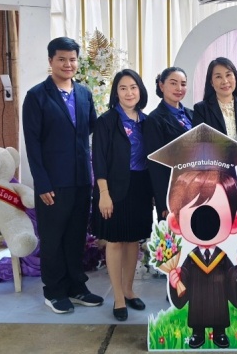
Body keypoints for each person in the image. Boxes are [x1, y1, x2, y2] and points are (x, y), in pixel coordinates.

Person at [148, 125, 237, 349]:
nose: (206, 223)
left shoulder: (223, 256)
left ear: (235, 222)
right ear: (176, 223)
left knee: (219, 309)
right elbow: (183, 281)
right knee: (196, 310)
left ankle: (219, 332)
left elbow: (233, 282)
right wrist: (176, 281)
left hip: (219, 304)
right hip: (196, 302)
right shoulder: (190, 257)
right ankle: (197, 333)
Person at [22, 37, 104, 315]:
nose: (68, 64)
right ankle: (54, 291)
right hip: (53, 183)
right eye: (61, 59)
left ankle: (76, 287)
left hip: (82, 179)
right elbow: (32, 144)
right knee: (53, 238)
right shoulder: (36, 96)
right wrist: (42, 182)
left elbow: (92, 129)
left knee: (76, 237)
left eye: (72, 59)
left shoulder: (84, 94)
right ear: (51, 61)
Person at [92, 69, 153, 322]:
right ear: (116, 93)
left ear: (141, 91)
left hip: (141, 187)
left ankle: (129, 290)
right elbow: (99, 160)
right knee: (115, 241)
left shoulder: (147, 121)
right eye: (123, 88)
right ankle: (118, 297)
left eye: (133, 87)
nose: (129, 93)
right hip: (113, 188)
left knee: (133, 241)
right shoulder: (106, 121)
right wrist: (104, 194)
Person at [146, 67, 193, 220]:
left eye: (183, 84)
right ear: (161, 86)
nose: (179, 88)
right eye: (173, 83)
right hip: (173, 192)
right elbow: (156, 165)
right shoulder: (154, 119)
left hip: (197, 188)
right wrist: (164, 202)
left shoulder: (193, 114)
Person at [192, 57, 237, 149]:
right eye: (218, 77)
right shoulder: (201, 109)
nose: (225, 81)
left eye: (228, 75)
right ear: (211, 82)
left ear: (235, 77)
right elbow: (200, 146)